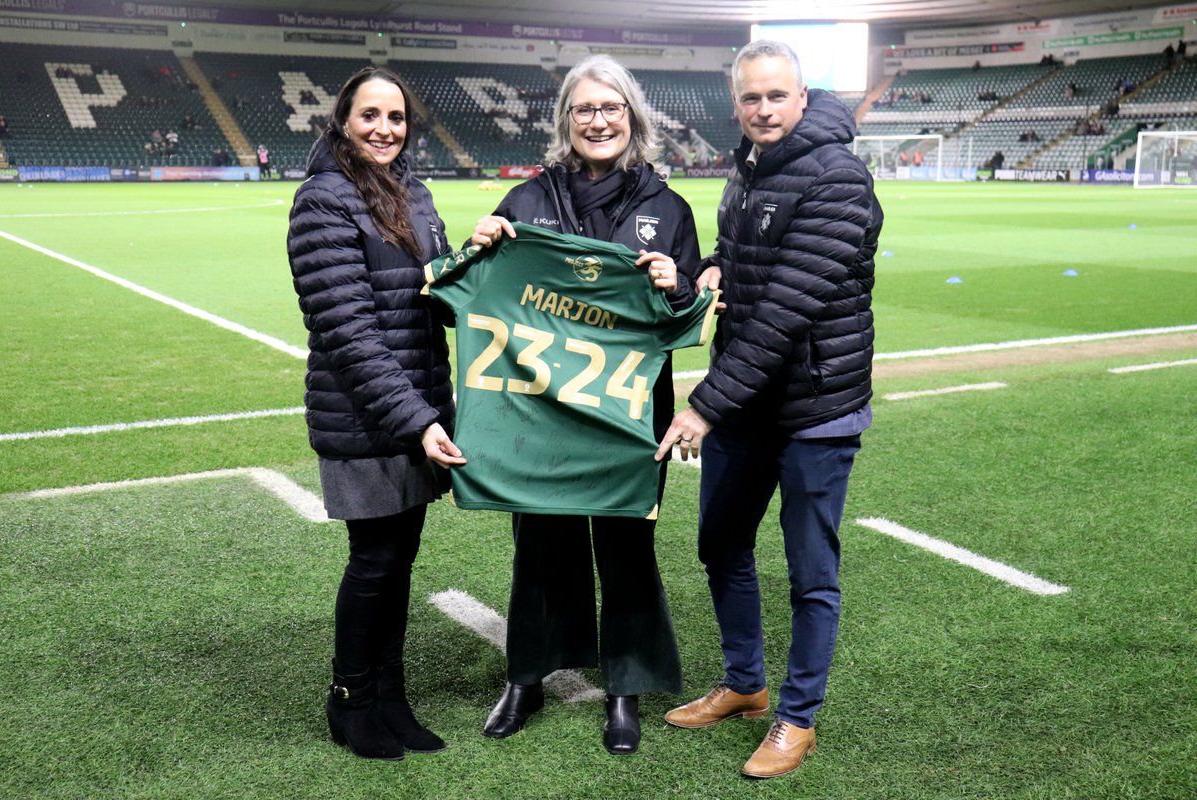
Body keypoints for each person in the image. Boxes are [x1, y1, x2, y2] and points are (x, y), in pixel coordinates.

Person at [656, 39, 882, 780]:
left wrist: (703, 405)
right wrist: (711, 267)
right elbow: (740, 256)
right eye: (750, 98)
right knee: (721, 544)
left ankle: (796, 718)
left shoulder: (840, 179)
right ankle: (746, 685)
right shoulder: (748, 166)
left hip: (816, 405)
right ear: (736, 103)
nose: (762, 109)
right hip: (749, 403)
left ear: (803, 98)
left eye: (776, 96)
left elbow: (786, 310)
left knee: (810, 571)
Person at [467, 54, 700, 756]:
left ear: (632, 118)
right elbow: (473, 304)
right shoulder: (527, 201)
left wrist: (676, 284)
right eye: (584, 109)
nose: (599, 120)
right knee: (539, 547)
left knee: (626, 545)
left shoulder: (668, 209)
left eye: (612, 108)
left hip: (628, 415)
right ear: (565, 120)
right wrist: (478, 249)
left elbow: (683, 321)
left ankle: (623, 688)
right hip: (539, 416)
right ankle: (528, 676)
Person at [286, 66, 465, 761]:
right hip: (370, 415)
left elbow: (444, 294)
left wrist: (484, 256)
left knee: (400, 560)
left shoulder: (414, 194)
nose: (384, 129)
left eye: (396, 117)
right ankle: (351, 699)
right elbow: (347, 333)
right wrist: (416, 419)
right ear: (343, 120)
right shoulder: (323, 201)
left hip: (416, 407)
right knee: (375, 559)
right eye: (370, 115)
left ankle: (391, 696)